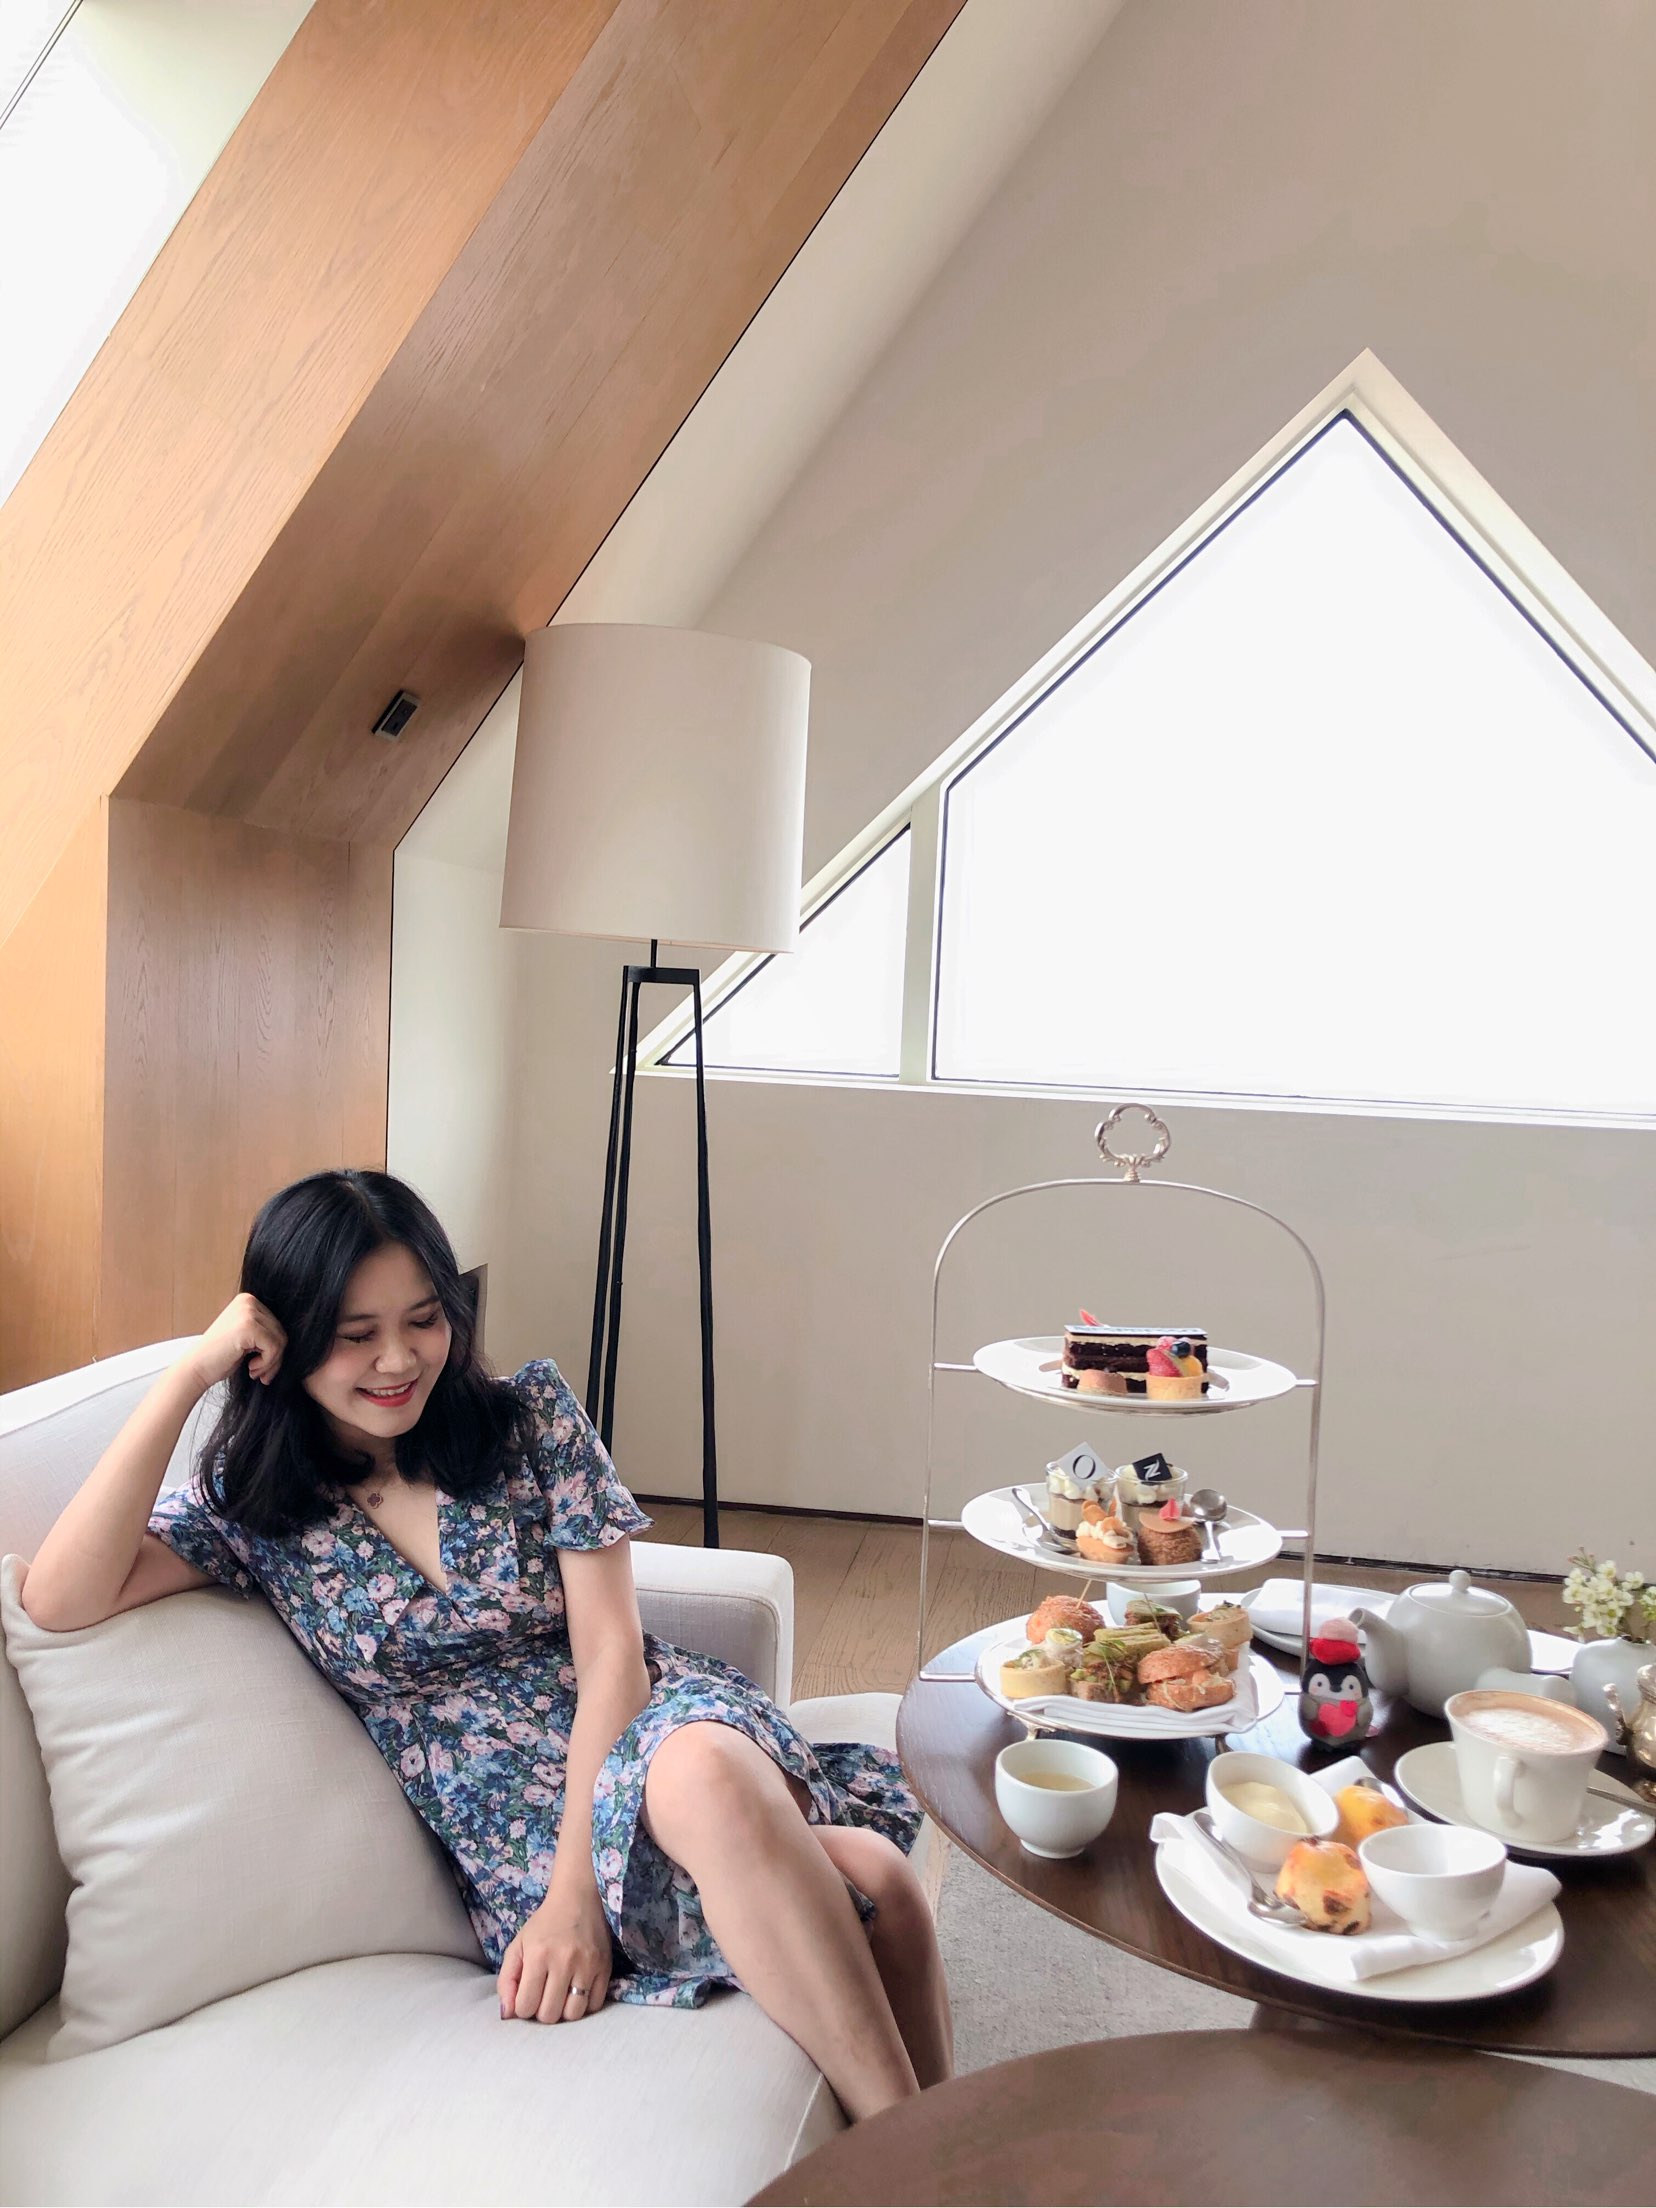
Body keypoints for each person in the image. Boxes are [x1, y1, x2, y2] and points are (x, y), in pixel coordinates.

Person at [21, 1169, 951, 2121]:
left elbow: (613, 1660)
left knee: (705, 1774)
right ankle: (945, 2158)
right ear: (285, 1341)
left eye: (424, 1319)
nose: (398, 1359)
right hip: (511, 1826)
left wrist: (575, 1897)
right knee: (877, 1879)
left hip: (651, 1728)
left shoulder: (529, 1418)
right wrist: (190, 1373)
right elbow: (59, 1599)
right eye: (354, 1335)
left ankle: (907, 2163)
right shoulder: (258, 1509)